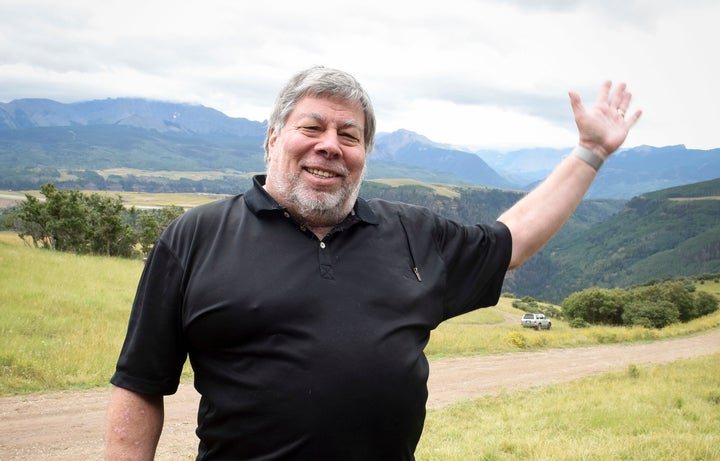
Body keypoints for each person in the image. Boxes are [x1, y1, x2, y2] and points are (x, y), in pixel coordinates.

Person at [106, 66, 641, 460]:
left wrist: (589, 154)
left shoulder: (412, 233)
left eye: (349, 135)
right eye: (311, 128)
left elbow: (512, 240)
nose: (330, 147)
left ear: (365, 153)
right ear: (272, 139)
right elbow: (140, 383)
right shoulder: (195, 237)